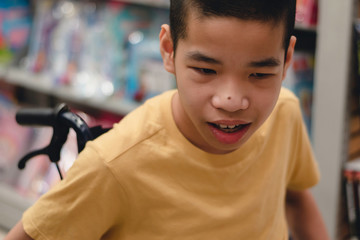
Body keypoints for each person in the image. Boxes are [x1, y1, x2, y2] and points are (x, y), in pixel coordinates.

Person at [5, 0, 330, 239]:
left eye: (259, 73)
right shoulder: (114, 164)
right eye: (205, 70)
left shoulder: (284, 113)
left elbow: (296, 198)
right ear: (168, 49)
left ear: (287, 59)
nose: (231, 101)